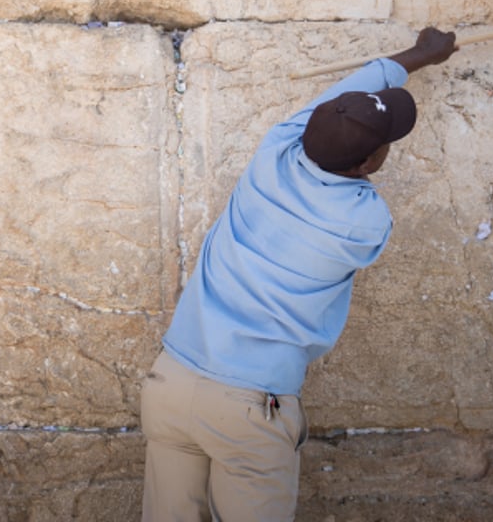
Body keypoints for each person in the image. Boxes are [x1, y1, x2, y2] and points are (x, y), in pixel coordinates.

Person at [141, 27, 459, 521]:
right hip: (248, 406)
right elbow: (343, 130)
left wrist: (416, 56)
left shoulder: (275, 148)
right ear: (367, 162)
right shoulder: (364, 220)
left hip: (171, 383)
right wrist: (426, 57)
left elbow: (333, 105)